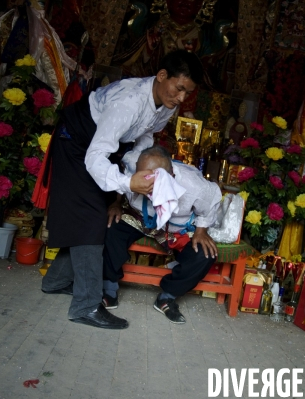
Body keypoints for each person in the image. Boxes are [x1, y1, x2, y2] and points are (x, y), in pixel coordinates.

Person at [40, 50, 204, 330]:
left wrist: (140, 168)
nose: (180, 98)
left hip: (106, 152)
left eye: (186, 93)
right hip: (77, 146)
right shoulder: (128, 102)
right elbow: (95, 156)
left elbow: (145, 138)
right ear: (162, 76)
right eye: (179, 88)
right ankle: (86, 306)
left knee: (99, 217)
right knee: (91, 218)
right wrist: (128, 182)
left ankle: (55, 281)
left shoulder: (166, 105)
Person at [102, 146, 222, 324]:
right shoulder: (130, 164)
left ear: (172, 177)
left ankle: (167, 297)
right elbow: (119, 180)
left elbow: (213, 200)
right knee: (111, 228)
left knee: (205, 254)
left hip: (176, 227)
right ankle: (109, 290)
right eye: (143, 178)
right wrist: (116, 203)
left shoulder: (195, 187)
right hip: (141, 217)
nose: (147, 184)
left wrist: (201, 229)